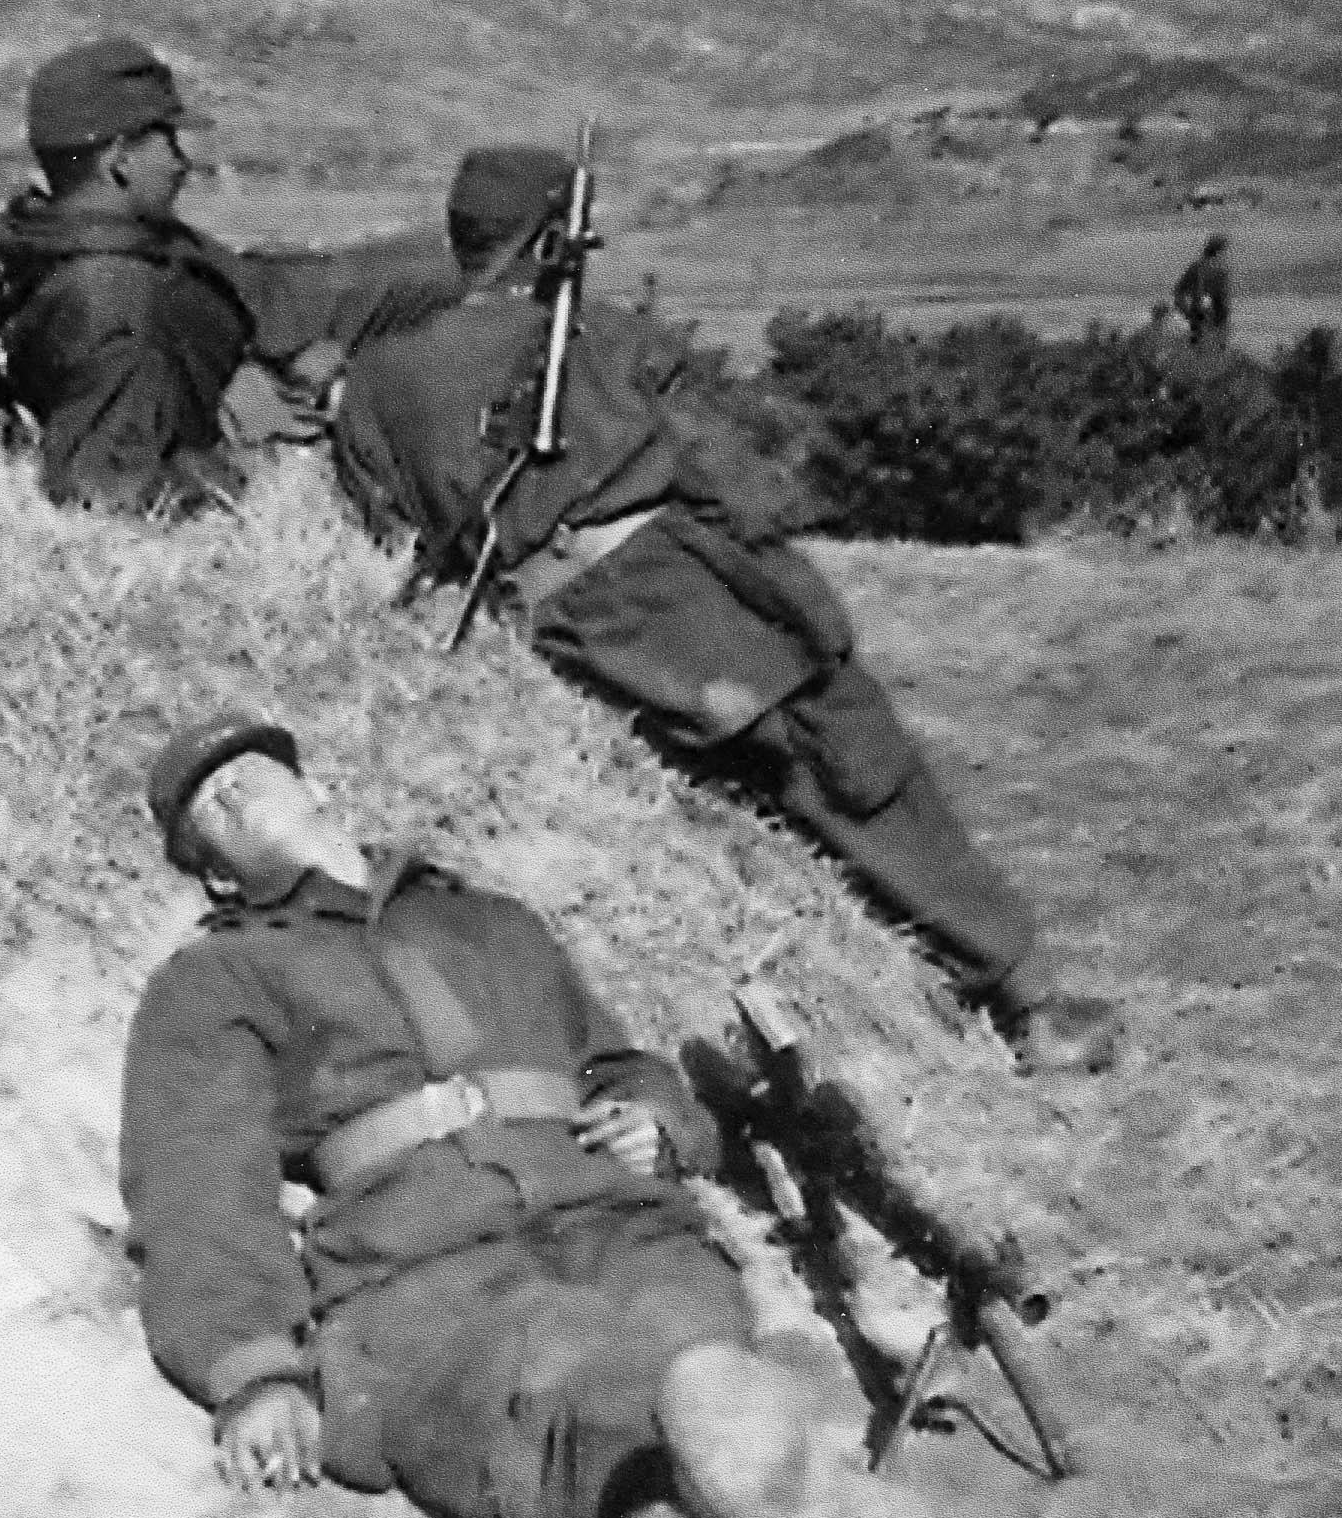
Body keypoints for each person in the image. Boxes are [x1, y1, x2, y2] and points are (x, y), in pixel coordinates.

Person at [122, 711, 941, 1518]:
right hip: (425, 1265)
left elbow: (619, 1061)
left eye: (251, 772)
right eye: (207, 809)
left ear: (318, 790)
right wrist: (252, 1365)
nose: (233, 794)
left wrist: (654, 1119)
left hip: (619, 1222)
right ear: (213, 874)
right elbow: (197, 1182)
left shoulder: (492, 921)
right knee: (540, 1374)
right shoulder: (211, 982)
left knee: (677, 1347)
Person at [329, 147, 1113, 1074]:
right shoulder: (602, 339)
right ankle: (1027, 998)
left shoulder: (376, 383)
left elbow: (395, 527)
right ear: (551, 244)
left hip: (554, 630)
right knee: (857, 758)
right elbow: (727, 479)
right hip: (675, 602)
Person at [0, 37, 411, 515]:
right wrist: (239, 439)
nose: (183, 162)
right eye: (168, 141)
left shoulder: (54, 241)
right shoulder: (122, 311)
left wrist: (264, 368)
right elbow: (105, 504)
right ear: (120, 160)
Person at [1172, 233, 1232, 348]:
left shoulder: (1200, 266)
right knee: (1210, 347)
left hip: (1206, 314)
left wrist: (1186, 311)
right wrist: (1189, 311)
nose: (1226, 254)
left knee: (1202, 346)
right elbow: (1179, 291)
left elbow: (1179, 291)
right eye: (1224, 250)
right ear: (1218, 251)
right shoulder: (1211, 268)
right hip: (1206, 314)